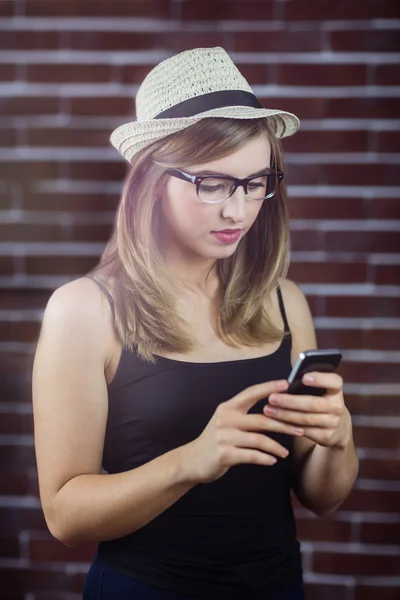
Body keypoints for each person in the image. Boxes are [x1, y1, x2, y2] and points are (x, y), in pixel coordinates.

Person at [32, 47, 359, 600]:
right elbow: (65, 517)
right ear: (151, 181)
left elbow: (324, 498)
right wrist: (191, 461)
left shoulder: (284, 303)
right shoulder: (84, 310)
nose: (239, 210)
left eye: (257, 182)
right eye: (213, 184)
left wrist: (338, 439)